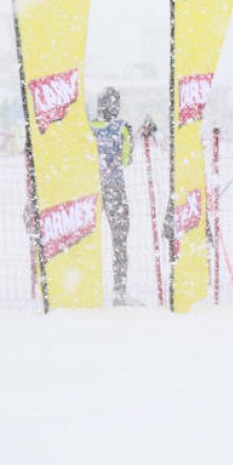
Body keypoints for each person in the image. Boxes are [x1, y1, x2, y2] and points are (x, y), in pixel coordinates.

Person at [90, 87, 137, 305]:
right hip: (115, 188)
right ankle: (119, 289)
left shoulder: (87, 128)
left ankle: (84, 286)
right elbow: (126, 159)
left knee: (87, 239)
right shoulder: (121, 128)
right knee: (119, 239)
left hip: (90, 188)